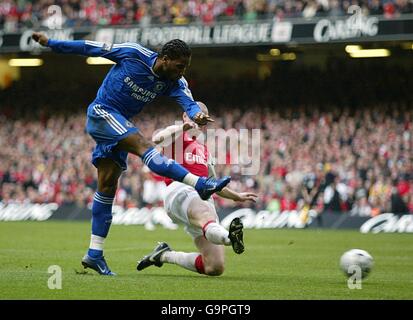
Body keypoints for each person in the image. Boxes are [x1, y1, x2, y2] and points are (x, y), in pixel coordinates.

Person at [31, 33, 231, 276]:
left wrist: (196, 114)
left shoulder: (175, 82)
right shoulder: (133, 53)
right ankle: (199, 184)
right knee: (143, 145)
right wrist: (51, 43)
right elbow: (88, 47)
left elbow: (188, 103)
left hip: (119, 124)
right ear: (165, 59)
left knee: (106, 189)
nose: (182, 72)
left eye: (185, 67)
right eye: (180, 66)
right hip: (102, 112)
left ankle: (94, 254)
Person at [136, 102, 257, 276]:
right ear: (186, 116)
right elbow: (157, 139)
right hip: (179, 191)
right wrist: (182, 128)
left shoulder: (204, 150)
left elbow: (213, 183)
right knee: (205, 213)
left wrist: (236, 196)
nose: (200, 125)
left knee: (214, 267)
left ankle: (164, 255)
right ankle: (230, 238)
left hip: (201, 199)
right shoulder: (177, 136)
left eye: (203, 122)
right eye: (197, 118)